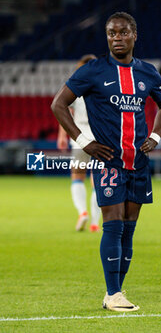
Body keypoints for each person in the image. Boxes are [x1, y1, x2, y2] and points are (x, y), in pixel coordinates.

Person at [51, 12, 161, 311]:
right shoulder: (92, 71)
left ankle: (117, 293)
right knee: (113, 225)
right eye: (111, 33)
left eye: (122, 32)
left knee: (129, 229)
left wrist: (155, 137)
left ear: (134, 35)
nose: (116, 38)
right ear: (106, 36)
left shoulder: (148, 73)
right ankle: (113, 293)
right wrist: (83, 141)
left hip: (138, 162)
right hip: (108, 161)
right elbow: (58, 104)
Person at [57, 54, 101, 232]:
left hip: (79, 139)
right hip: (99, 139)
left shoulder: (76, 86)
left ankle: (82, 213)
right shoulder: (103, 86)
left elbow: (64, 110)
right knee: (97, 181)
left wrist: (62, 135)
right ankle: (94, 223)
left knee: (77, 176)